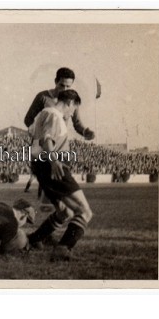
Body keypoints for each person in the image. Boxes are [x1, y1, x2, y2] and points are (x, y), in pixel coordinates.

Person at [27, 89, 93, 261]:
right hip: (53, 167)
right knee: (84, 211)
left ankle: (32, 240)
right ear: (70, 102)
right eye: (73, 109)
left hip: (42, 167)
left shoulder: (44, 114)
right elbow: (47, 140)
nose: (72, 113)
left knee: (65, 212)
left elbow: (35, 136)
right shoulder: (54, 115)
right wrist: (55, 161)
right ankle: (62, 249)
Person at [23, 67, 95, 193]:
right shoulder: (43, 97)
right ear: (55, 81)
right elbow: (28, 120)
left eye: (68, 86)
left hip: (62, 150)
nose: (65, 89)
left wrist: (85, 132)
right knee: (54, 190)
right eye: (62, 85)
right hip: (45, 149)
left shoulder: (71, 100)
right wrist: (43, 132)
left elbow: (77, 123)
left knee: (61, 191)